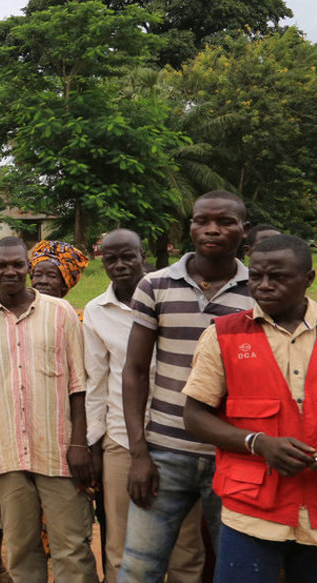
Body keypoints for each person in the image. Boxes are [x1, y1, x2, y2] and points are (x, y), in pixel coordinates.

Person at [122, 191, 254, 582]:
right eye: (202, 220)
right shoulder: (155, 285)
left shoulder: (258, 291)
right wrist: (139, 453)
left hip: (233, 456)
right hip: (164, 454)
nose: (212, 229)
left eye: (226, 221)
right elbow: (134, 371)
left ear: (243, 231)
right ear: (190, 226)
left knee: (234, 570)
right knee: (139, 568)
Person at [0, 236, 98, 583]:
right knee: (20, 550)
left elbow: (78, 386)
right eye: (2, 266)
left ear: (28, 266)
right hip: (4, 455)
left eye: (17, 264)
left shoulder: (62, 313)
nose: (10, 271)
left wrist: (79, 444)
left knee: (72, 548)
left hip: (58, 453)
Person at [182, 234, 317, 582]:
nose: (263, 286)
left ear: (308, 279)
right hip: (251, 512)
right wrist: (258, 442)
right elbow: (194, 417)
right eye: (255, 276)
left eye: (278, 277)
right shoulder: (223, 336)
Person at [83, 229, 203, 582]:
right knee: (120, 543)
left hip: (179, 437)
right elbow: (96, 381)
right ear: (102, 262)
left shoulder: (172, 296)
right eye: (111, 259)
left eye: (128, 257)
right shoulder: (96, 311)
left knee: (186, 546)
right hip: (121, 438)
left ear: (142, 256)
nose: (120, 265)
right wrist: (95, 443)